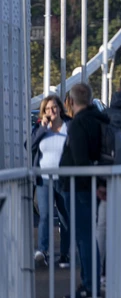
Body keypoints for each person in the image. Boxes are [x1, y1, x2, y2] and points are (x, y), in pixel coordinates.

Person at [58, 83, 105, 298]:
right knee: (88, 236)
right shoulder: (101, 119)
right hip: (93, 185)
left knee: (84, 238)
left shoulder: (78, 124)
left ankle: (89, 286)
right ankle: (90, 284)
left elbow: (79, 159)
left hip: (78, 187)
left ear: (70, 101)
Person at [31, 95, 71, 269]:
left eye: (54, 107)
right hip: (44, 179)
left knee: (65, 218)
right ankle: (43, 251)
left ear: (60, 108)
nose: (51, 111)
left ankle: (64, 254)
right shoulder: (41, 128)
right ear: (43, 112)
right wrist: (42, 127)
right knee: (45, 216)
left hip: (64, 179)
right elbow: (29, 145)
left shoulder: (69, 127)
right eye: (47, 109)